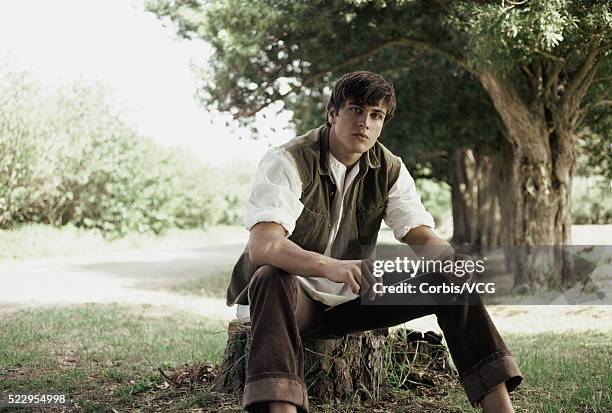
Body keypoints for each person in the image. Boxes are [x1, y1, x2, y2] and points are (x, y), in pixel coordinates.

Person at [225, 71, 522, 413]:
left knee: (449, 278)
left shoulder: (390, 167)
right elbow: (263, 246)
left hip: (350, 300)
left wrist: (451, 260)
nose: (364, 122)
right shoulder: (287, 160)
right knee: (270, 276)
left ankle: (499, 408)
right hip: (290, 303)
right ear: (332, 112)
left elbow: (419, 233)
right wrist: (331, 267)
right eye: (355, 110)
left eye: (376, 115)